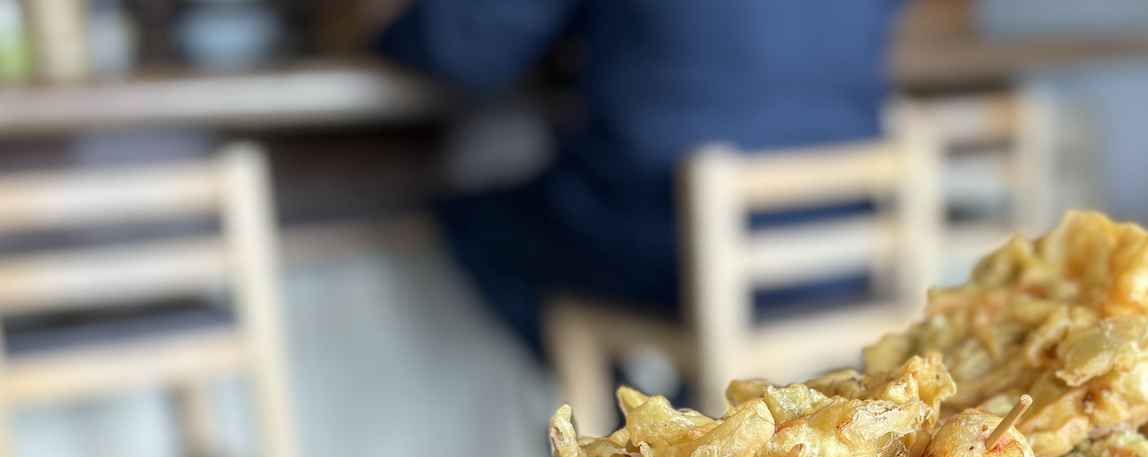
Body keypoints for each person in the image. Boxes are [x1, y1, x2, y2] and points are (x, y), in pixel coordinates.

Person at [378, 0, 908, 354]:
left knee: (473, 212)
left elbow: (464, 47)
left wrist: (379, 20)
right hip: (846, 238)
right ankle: (669, 434)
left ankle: (631, 440)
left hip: (667, 241)